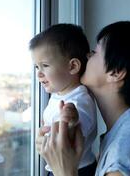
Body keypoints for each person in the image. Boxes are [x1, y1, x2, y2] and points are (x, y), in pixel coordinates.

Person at [36, 21, 130, 176]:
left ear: (116, 72)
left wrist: (64, 169)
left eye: (94, 52)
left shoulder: (125, 154)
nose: (87, 55)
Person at [29, 24, 98, 176]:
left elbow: (74, 133)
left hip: (77, 171)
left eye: (45, 66)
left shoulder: (79, 101)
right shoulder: (60, 94)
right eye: (36, 67)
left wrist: (72, 123)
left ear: (73, 66)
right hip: (57, 167)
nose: (39, 74)